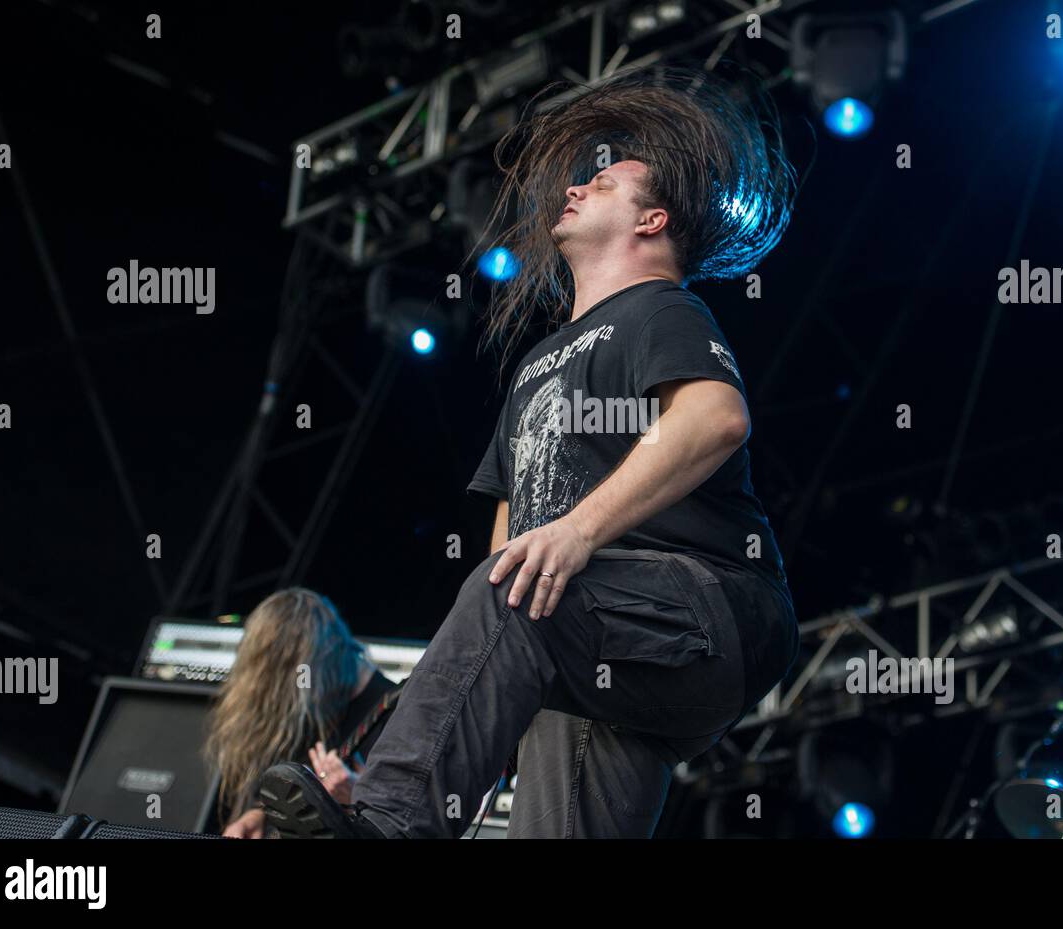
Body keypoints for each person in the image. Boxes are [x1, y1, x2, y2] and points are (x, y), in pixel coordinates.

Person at [260, 63, 800, 839]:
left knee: (517, 592)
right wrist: (485, 715)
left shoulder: (658, 310)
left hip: (709, 612)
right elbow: (508, 543)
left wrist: (577, 532)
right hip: (594, 632)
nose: (577, 188)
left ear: (651, 222)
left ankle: (387, 824)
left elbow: (714, 418)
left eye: (608, 183)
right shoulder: (533, 368)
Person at [205, 588, 398, 838]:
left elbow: (414, 823)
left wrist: (357, 797)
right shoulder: (308, 708)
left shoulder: (396, 718)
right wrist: (258, 816)